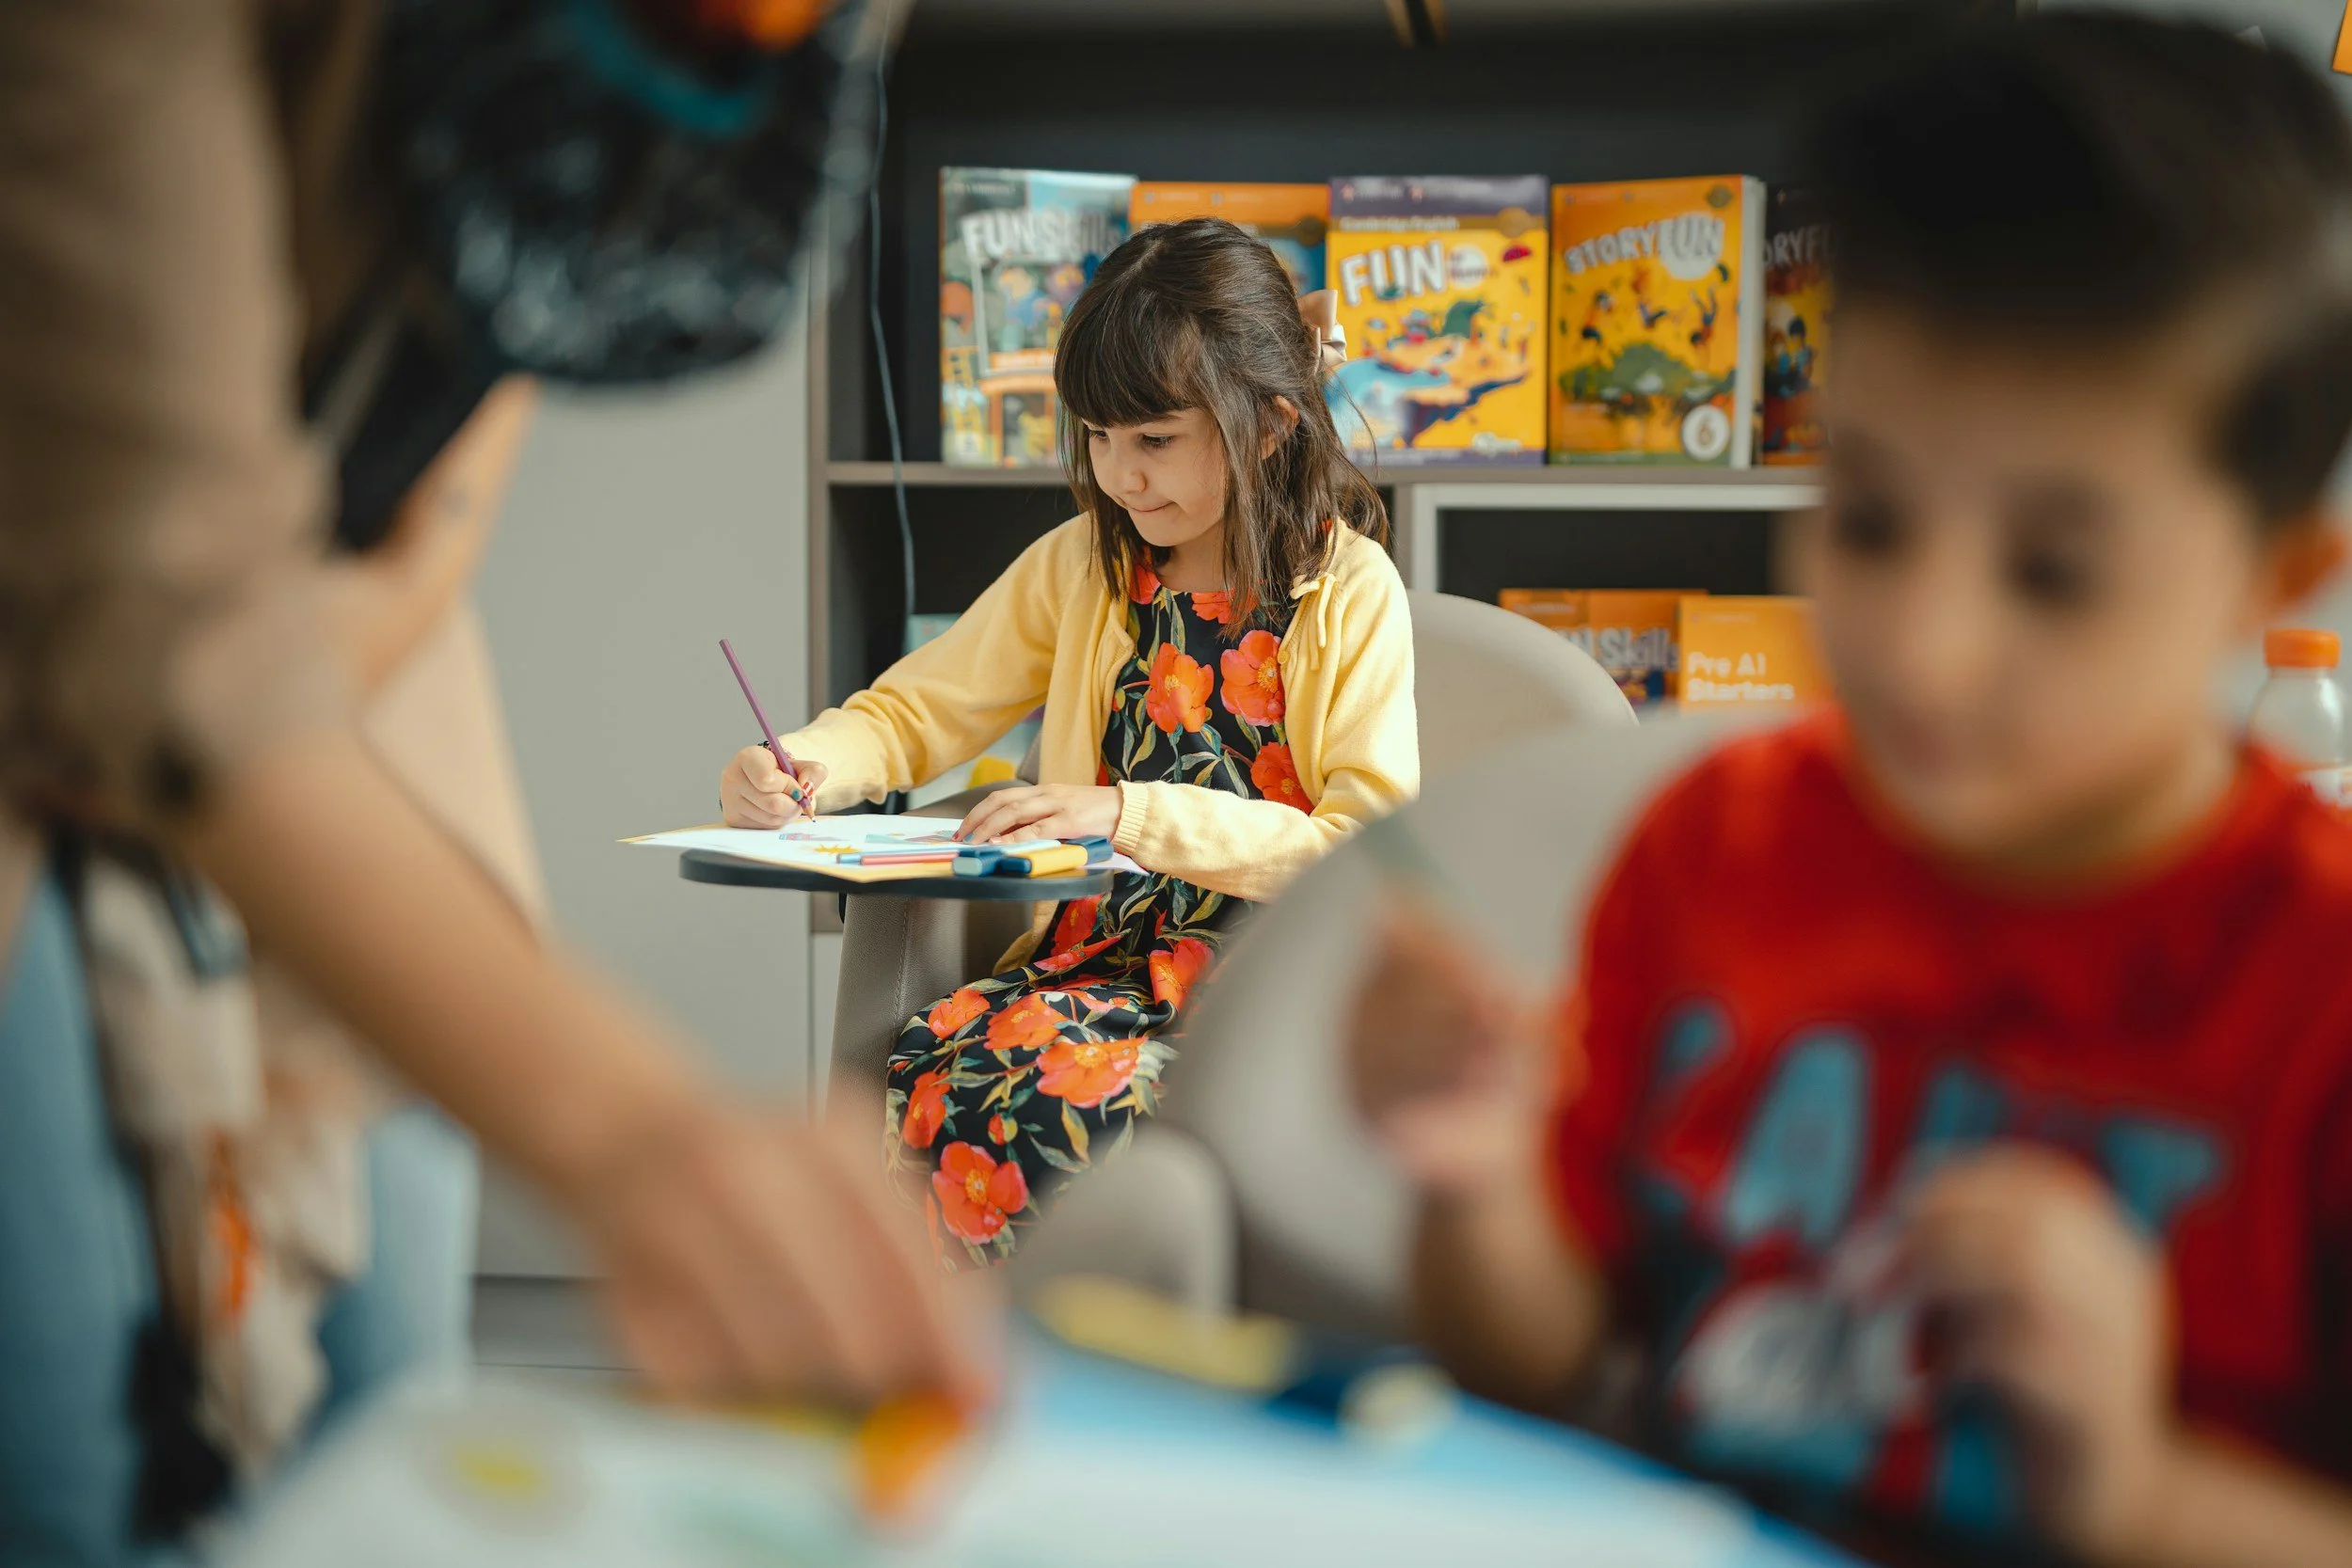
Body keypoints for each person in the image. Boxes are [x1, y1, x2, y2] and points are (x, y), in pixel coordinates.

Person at [1347, 16, 2352, 1567]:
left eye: (2056, 570)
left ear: (2273, 577)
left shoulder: (2319, 975)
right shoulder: (1716, 847)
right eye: (1871, 518)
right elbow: (1538, 1363)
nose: (1926, 649)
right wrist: (1476, 1183)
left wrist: (2138, 1485)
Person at [0, 4, 982, 1561]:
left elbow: (445, 443)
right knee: (74, 1453)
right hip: (127, 728)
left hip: (334, 734)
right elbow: (158, 616)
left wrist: (275, 672)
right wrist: (645, 1132)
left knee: (384, 1397)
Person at [722, 219, 1417, 1267]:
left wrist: (1131, 812)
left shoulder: (1351, 591)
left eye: (1154, 440)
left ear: (1269, 426)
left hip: (1268, 988)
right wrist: (807, 761)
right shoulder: (1084, 565)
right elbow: (920, 710)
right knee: (932, 1081)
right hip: (1092, 969)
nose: (1120, 476)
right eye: (1097, 436)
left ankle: (1105, 1389)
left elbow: (1366, 844)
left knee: (1066, 1109)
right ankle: (970, 1395)